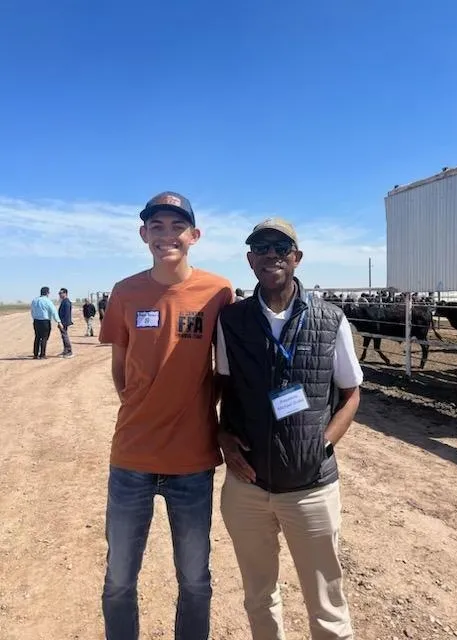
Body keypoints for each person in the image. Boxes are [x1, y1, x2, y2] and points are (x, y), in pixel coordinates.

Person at [216, 218, 363, 640]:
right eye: (260, 248)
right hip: (248, 490)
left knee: (327, 602)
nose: (271, 255)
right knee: (259, 596)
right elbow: (224, 387)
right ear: (249, 260)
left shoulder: (330, 318)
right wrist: (223, 437)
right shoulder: (232, 320)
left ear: (296, 258)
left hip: (311, 487)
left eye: (281, 248)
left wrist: (324, 443)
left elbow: (351, 394)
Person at [99, 191, 232, 640]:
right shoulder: (125, 292)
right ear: (143, 235)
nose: (166, 235)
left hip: (192, 463)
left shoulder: (219, 292)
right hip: (131, 460)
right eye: (156, 227)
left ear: (194, 236)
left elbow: (227, 370)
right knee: (119, 580)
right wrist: (141, 407)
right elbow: (121, 368)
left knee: (195, 581)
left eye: (177, 226)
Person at [30, 286, 62, 359]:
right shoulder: (47, 301)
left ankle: (35, 354)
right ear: (47, 293)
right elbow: (53, 312)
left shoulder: (34, 300)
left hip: (36, 321)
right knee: (44, 338)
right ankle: (42, 354)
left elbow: (32, 311)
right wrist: (58, 321)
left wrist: (35, 318)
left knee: (37, 337)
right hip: (45, 321)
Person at [58, 288, 74, 358]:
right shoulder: (64, 301)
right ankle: (65, 350)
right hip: (62, 322)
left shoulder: (66, 302)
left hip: (64, 322)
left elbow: (67, 314)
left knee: (65, 336)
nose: (60, 294)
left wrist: (62, 323)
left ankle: (69, 351)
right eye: (59, 293)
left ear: (65, 293)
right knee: (63, 336)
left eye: (61, 293)